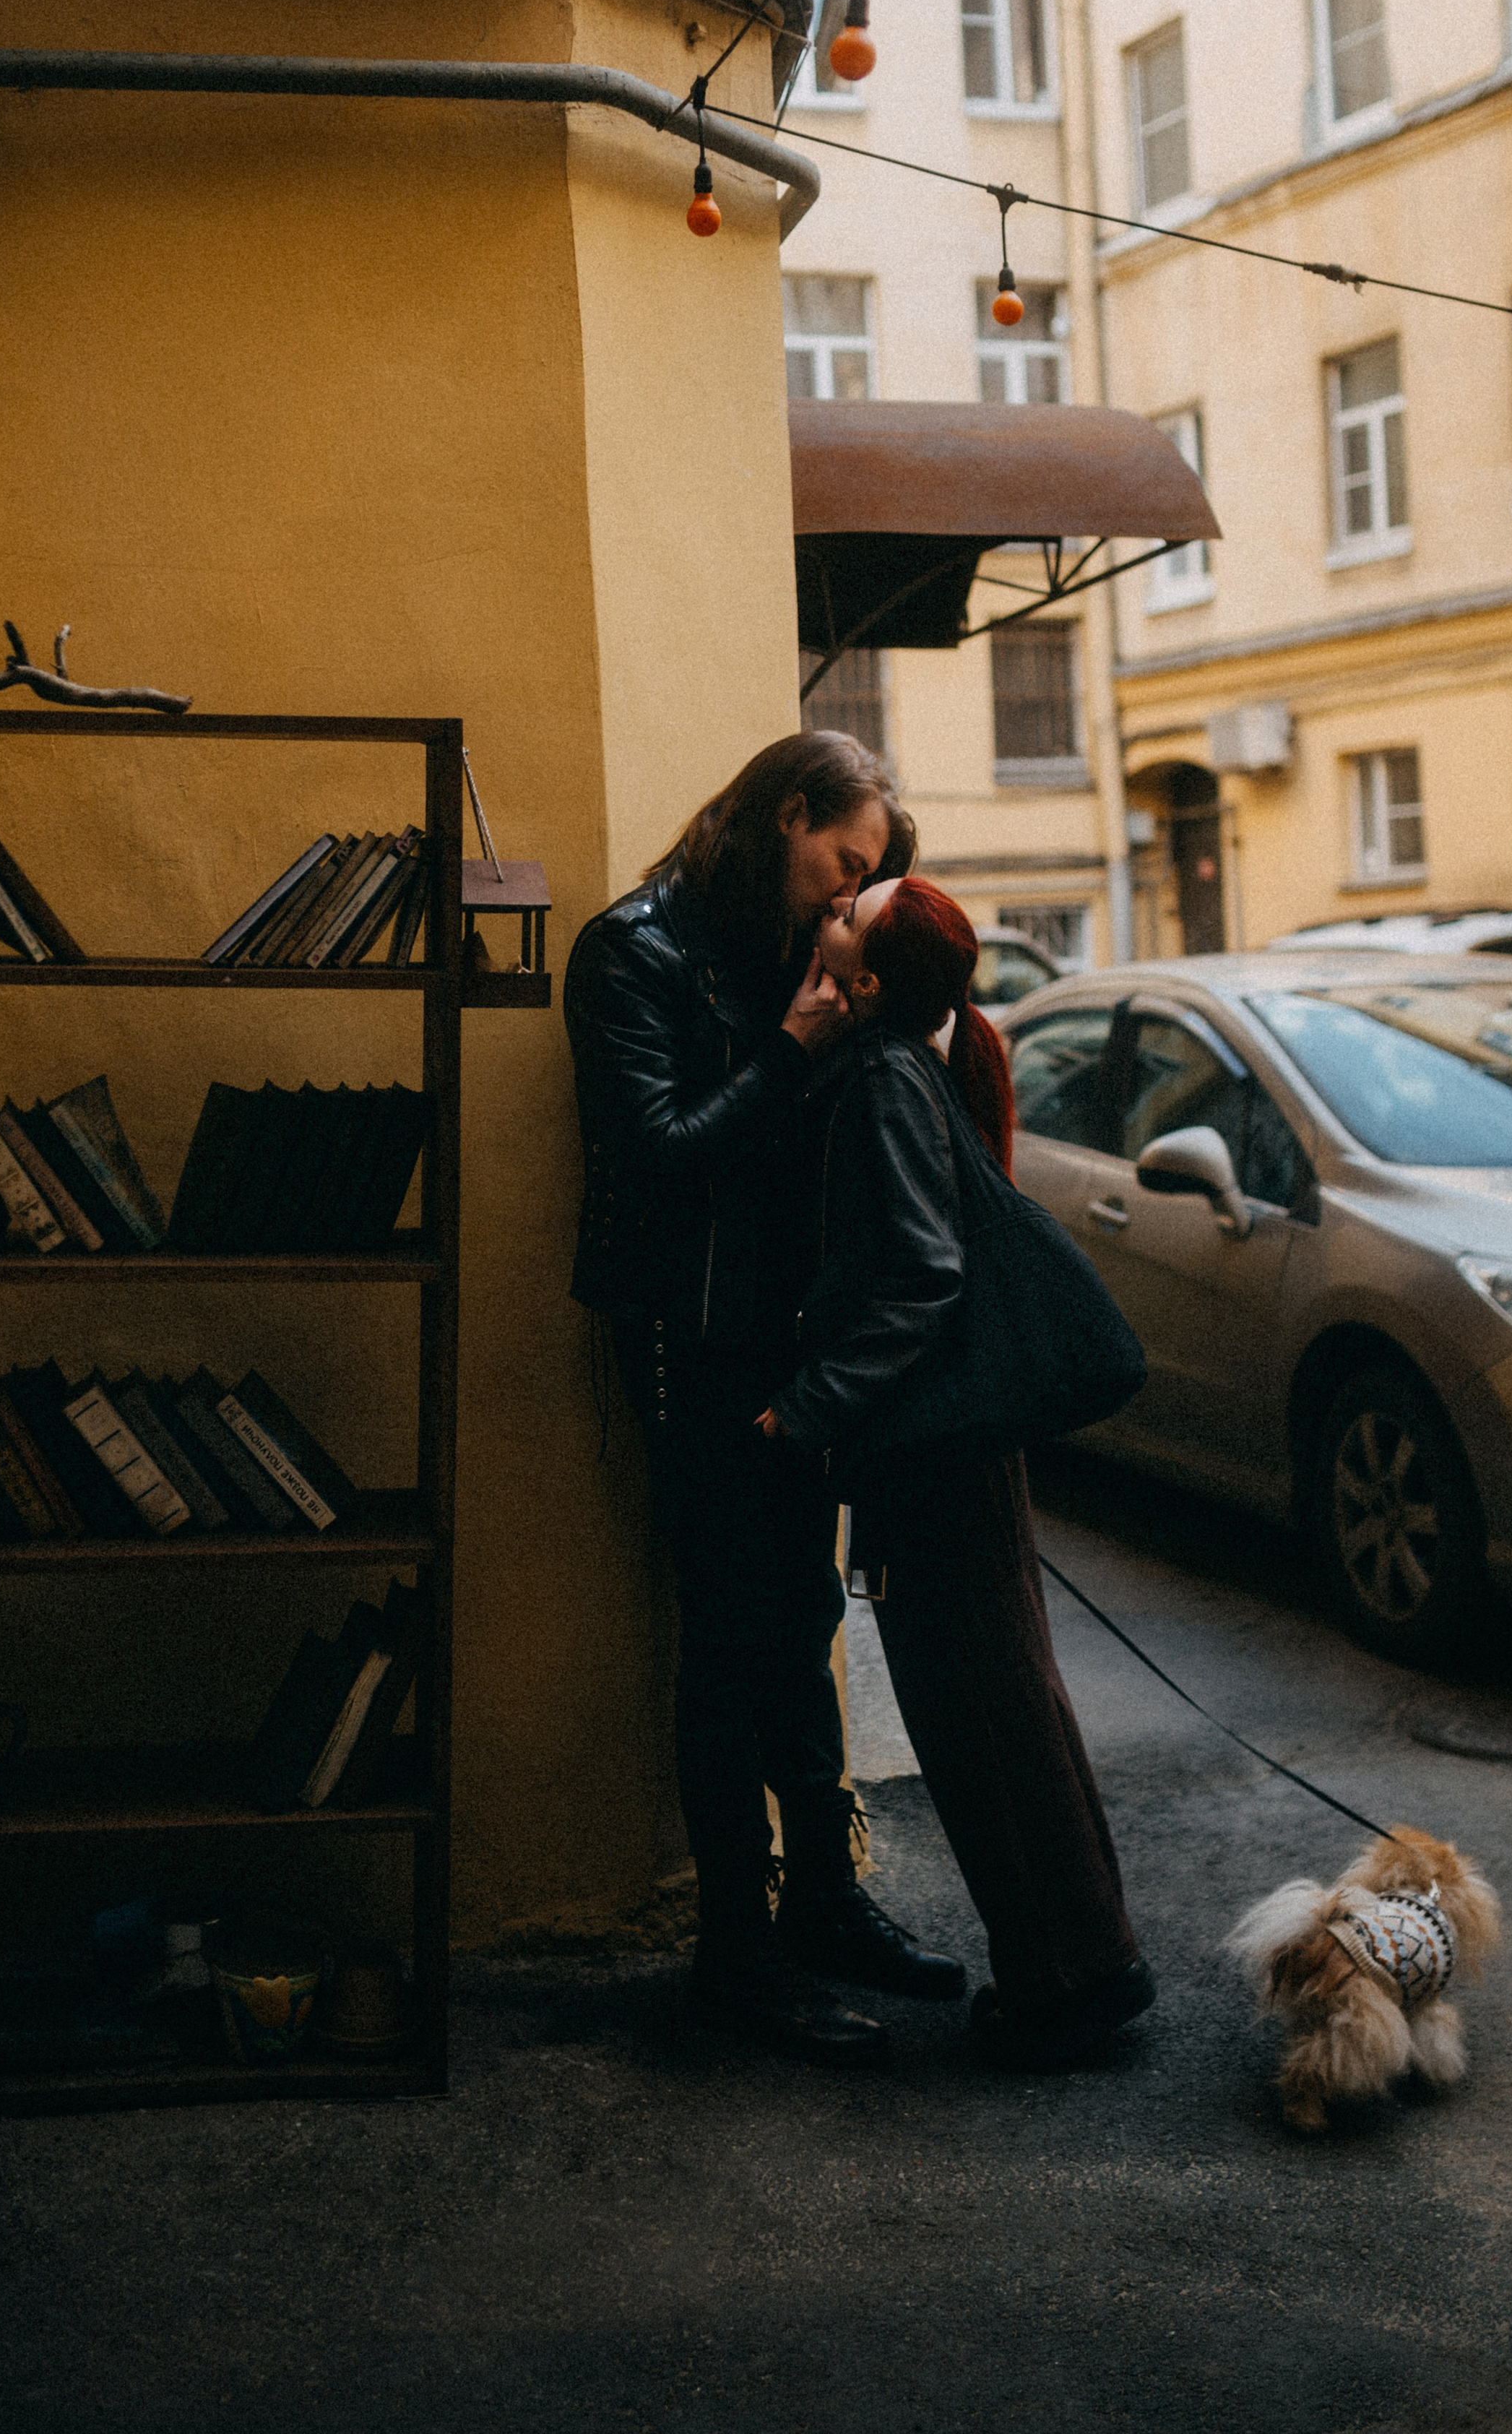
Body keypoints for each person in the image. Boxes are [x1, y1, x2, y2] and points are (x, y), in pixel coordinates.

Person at [565, 734, 966, 2068]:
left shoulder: (777, 937)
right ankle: (736, 1961)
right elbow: (663, 1153)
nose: (841, 891)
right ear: (785, 813)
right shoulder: (634, 951)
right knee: (730, 1646)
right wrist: (797, 1048)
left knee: (799, 1622)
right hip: (692, 1343)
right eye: (840, 861)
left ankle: (826, 1908)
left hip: (795, 1349)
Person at [760, 876, 1154, 2071]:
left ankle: (1068, 1984)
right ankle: (1082, 1963)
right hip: (953, 1453)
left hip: (937, 1456)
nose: (828, 908)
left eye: (848, 912)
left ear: (867, 977)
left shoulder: (882, 1076)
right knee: (1007, 1702)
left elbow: (923, 1276)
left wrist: (806, 1409)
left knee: (981, 1716)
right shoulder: (894, 1059)